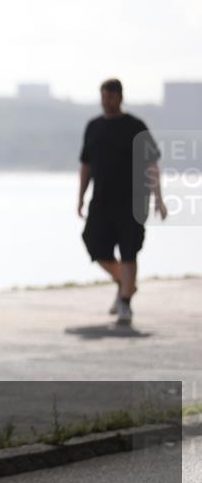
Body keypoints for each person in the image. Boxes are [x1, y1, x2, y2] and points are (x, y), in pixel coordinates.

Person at [78, 78, 166, 326]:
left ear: (120, 97)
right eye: (103, 97)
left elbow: (151, 165)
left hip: (133, 201)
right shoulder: (93, 127)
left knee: (129, 252)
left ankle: (125, 302)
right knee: (94, 245)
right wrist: (80, 197)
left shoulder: (136, 127)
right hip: (101, 201)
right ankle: (125, 283)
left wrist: (159, 199)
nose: (106, 101)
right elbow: (85, 165)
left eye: (110, 97)